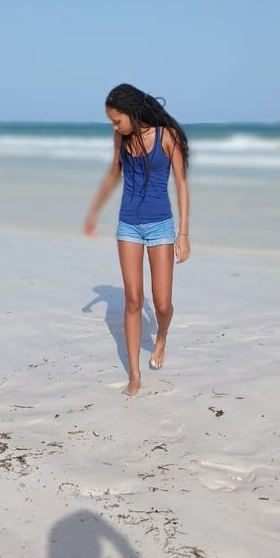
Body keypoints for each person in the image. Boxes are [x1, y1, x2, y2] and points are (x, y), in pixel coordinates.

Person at [84, 83, 190, 396]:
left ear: (131, 113)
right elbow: (112, 174)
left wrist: (183, 233)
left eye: (117, 120)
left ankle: (161, 338)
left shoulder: (167, 136)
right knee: (133, 299)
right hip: (128, 225)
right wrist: (93, 212)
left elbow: (181, 184)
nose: (114, 127)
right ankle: (134, 374)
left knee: (162, 303)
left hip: (161, 226)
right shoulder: (122, 138)